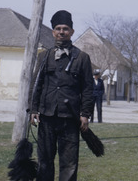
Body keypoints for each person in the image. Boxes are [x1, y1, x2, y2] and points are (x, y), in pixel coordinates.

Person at [29, 10, 93, 181]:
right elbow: (36, 84)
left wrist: (85, 114)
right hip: (47, 117)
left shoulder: (82, 58)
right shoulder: (44, 56)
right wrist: (33, 109)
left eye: (65, 28)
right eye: (58, 28)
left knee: (69, 163)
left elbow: (88, 89)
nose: (61, 32)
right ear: (53, 32)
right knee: (45, 161)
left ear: (71, 32)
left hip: (70, 118)